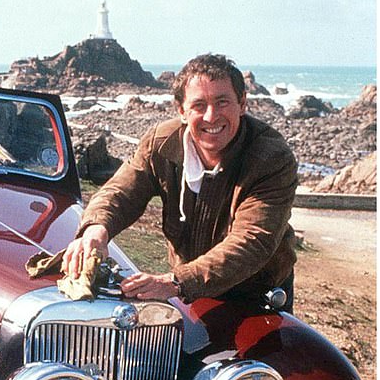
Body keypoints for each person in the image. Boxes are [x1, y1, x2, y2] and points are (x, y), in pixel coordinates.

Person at [62, 53, 298, 310]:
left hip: (255, 295)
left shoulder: (271, 159)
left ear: (242, 104)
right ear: (182, 111)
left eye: (222, 102)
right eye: (199, 105)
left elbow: (252, 240)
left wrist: (177, 281)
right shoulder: (161, 143)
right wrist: (96, 228)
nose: (211, 116)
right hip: (188, 290)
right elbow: (122, 190)